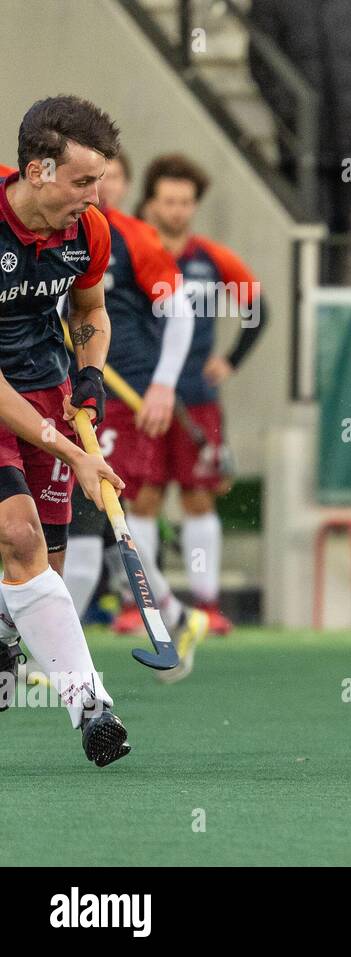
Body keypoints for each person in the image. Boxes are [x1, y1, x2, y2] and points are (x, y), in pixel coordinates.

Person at [0, 96, 132, 766]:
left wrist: (89, 373)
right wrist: (69, 451)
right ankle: (92, 705)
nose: (96, 195)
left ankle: (4, 625)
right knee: (17, 535)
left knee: (40, 569)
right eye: (83, 181)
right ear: (37, 171)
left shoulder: (90, 232)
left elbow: (91, 310)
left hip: (45, 388)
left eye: (100, 180)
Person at [59, 152, 211, 681]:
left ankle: (55, 658)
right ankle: (175, 613)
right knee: (81, 520)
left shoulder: (131, 237)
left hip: (122, 396)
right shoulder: (54, 229)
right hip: (67, 392)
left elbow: (181, 311)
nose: (101, 189)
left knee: (90, 516)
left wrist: (164, 385)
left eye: (110, 179)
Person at [131, 154, 265, 637]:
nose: (178, 211)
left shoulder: (211, 259)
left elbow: (258, 308)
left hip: (197, 400)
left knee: (197, 499)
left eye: (186, 202)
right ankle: (141, 607)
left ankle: (207, 604)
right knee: (142, 499)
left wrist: (229, 361)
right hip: (139, 398)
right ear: (150, 202)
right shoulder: (131, 252)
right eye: (169, 200)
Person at [248, 0, 351, 234]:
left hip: (350, 147)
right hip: (302, 144)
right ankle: (313, 272)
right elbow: (261, 59)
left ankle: (335, 272)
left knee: (343, 219)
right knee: (311, 222)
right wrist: (289, 111)